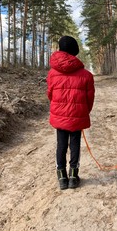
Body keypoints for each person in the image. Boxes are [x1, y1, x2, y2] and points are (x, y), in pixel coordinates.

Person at [47, 36, 95, 190]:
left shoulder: (52, 73)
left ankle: (62, 178)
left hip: (59, 114)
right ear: (75, 52)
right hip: (77, 114)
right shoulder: (86, 75)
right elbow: (90, 98)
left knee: (61, 145)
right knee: (75, 144)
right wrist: (83, 111)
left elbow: (50, 94)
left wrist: (58, 109)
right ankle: (73, 177)